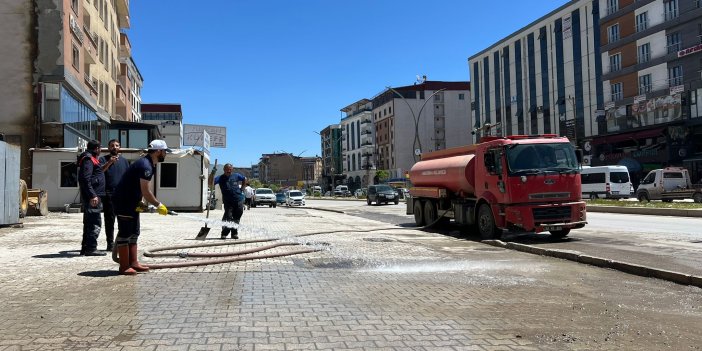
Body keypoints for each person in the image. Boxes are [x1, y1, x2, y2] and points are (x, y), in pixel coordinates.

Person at [111, 140, 171, 275]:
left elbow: (139, 187)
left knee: (134, 232)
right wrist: (158, 205)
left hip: (132, 201)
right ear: (158, 151)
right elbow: (146, 190)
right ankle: (124, 266)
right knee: (125, 233)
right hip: (124, 202)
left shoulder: (150, 164)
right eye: (165, 151)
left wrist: (141, 201)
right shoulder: (146, 165)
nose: (166, 154)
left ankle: (133, 263)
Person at [99, 139, 129, 252]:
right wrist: (110, 162)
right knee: (109, 220)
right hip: (109, 194)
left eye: (116, 145)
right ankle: (110, 244)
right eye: (112, 146)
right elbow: (100, 171)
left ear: (119, 147)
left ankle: (121, 243)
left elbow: (128, 178)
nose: (114, 147)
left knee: (123, 220)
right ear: (108, 148)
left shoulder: (125, 161)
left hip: (122, 195)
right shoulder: (103, 159)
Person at [77, 140, 106, 256]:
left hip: (94, 195)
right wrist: (92, 195)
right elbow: (85, 179)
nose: (100, 150)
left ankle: (86, 247)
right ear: (97, 149)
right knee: (94, 222)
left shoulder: (91, 158)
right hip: (93, 197)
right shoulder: (88, 159)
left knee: (90, 222)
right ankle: (91, 248)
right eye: (100, 148)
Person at [216, 164, 246, 239]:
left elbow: (244, 178)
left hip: (238, 200)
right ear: (224, 169)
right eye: (227, 169)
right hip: (228, 201)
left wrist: (242, 188)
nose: (228, 171)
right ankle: (224, 233)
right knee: (228, 217)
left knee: (236, 218)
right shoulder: (220, 178)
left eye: (230, 169)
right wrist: (212, 173)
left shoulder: (236, 175)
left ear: (232, 169)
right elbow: (210, 182)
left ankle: (234, 233)